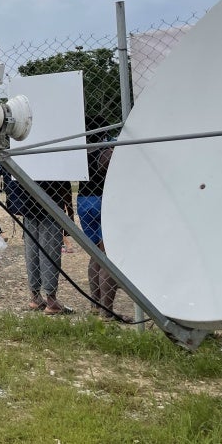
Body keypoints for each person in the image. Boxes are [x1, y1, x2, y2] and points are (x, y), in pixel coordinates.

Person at [78, 115, 131, 322]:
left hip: (83, 200)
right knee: (107, 256)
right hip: (102, 201)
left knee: (95, 255)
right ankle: (106, 310)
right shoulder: (106, 151)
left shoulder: (82, 151)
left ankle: (95, 303)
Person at [22, 179, 72, 315]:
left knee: (32, 249)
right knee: (50, 252)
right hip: (51, 203)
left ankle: (35, 296)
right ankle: (51, 300)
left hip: (28, 203)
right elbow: (64, 182)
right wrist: (70, 210)